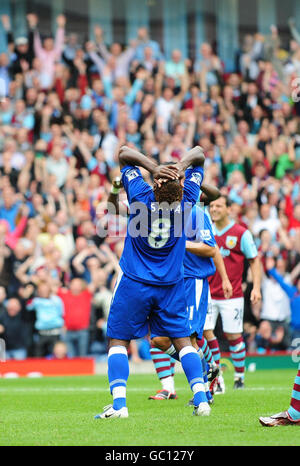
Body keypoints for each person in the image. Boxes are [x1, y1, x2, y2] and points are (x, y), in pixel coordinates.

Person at [94, 144, 212, 419]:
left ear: (156, 184)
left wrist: (153, 167)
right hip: (170, 285)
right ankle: (201, 399)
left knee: (118, 341)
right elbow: (200, 154)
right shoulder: (188, 202)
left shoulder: (140, 196)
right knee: (183, 341)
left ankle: (120, 406)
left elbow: (123, 152)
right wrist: (181, 168)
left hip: (135, 282)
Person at [203, 195, 261, 392]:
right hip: (208, 293)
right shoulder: (206, 229)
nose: (214, 209)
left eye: (219, 206)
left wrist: (256, 287)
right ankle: (216, 378)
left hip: (232, 294)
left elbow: (254, 260)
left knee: (233, 335)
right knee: (205, 333)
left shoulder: (241, 233)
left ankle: (239, 377)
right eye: (211, 206)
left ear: (229, 209)